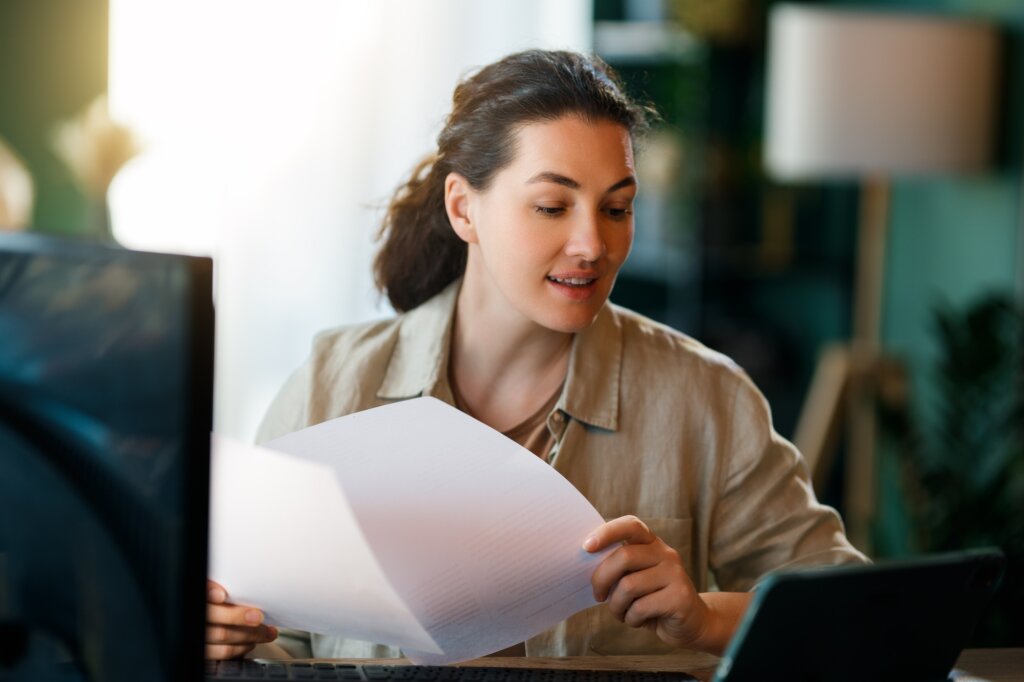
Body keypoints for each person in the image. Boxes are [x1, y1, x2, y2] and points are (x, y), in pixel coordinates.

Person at [204, 49, 866, 662]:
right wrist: (220, 639)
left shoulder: (705, 398)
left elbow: (855, 617)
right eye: (552, 206)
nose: (591, 244)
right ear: (464, 208)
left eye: (617, 208)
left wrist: (703, 617)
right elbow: (275, 638)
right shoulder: (330, 383)